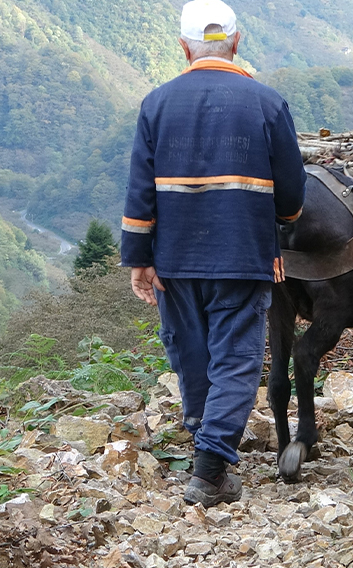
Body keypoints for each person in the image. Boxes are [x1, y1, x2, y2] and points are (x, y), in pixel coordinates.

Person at [120, 0, 306, 507]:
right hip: (243, 254)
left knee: (191, 352)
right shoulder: (267, 103)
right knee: (237, 360)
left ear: (183, 47)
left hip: (174, 259)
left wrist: (139, 256)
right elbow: (292, 190)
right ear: (237, 42)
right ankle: (209, 469)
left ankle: (207, 453)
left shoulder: (156, 103)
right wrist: (281, 229)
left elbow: (140, 190)